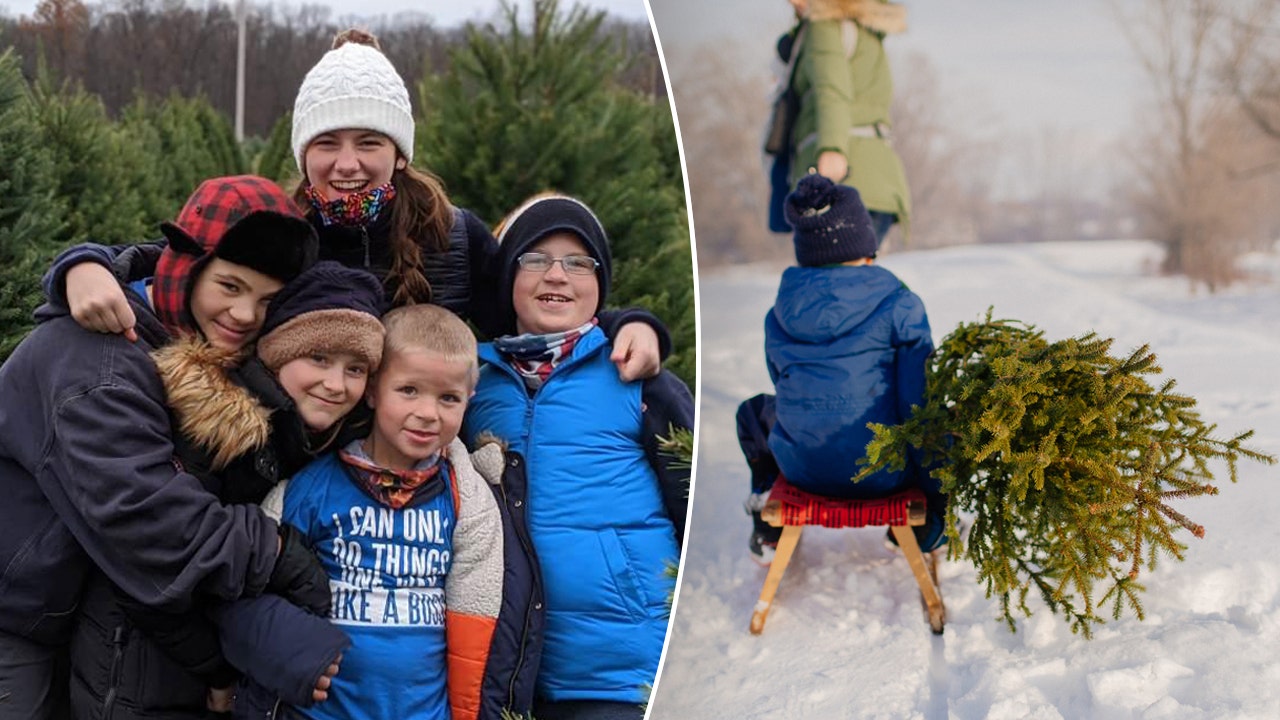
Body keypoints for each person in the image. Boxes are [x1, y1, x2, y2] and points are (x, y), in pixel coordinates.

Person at [44, 28, 668, 383]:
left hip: (416, 448)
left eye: (368, 142)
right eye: (327, 144)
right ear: (303, 153)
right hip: (299, 444)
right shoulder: (279, 231)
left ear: (398, 153)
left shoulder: (453, 236)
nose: (347, 164)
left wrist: (630, 324)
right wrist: (82, 266)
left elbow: (541, 306)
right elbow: (163, 258)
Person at [0, 175, 333, 720]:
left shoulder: (172, 340)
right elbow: (146, 519)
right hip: (13, 622)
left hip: (75, 611)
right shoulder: (98, 362)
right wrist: (273, 550)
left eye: (266, 300)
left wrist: (88, 261)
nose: (246, 315)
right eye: (229, 286)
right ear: (188, 268)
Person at [62, 260, 389, 719]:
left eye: (356, 368)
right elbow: (146, 567)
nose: (335, 384)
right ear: (277, 353)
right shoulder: (221, 429)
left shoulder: (309, 434)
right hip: (134, 671)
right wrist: (217, 671)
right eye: (317, 358)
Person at [462, 194, 693, 720]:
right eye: (536, 260)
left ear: (599, 282)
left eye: (578, 262)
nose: (557, 276)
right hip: (506, 667)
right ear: (507, 279)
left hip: (619, 666)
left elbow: (689, 498)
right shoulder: (471, 382)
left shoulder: (637, 376)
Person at [260, 303, 504, 720]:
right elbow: (260, 591)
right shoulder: (312, 488)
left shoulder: (464, 498)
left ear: (469, 400)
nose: (428, 413)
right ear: (372, 390)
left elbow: (477, 605)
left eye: (448, 398)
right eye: (408, 390)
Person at [739, 173, 944, 565]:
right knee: (937, 417)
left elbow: (783, 385)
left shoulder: (778, 314)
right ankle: (926, 527)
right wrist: (932, 487)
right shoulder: (901, 305)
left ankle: (769, 516)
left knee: (753, 412)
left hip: (802, 470)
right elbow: (919, 399)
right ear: (865, 248)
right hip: (885, 473)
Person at [768, 0, 910, 245]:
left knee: (828, 280)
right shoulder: (863, 31)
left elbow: (832, 90)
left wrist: (832, 149)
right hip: (874, 179)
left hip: (841, 180)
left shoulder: (824, 25)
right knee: (856, 280)